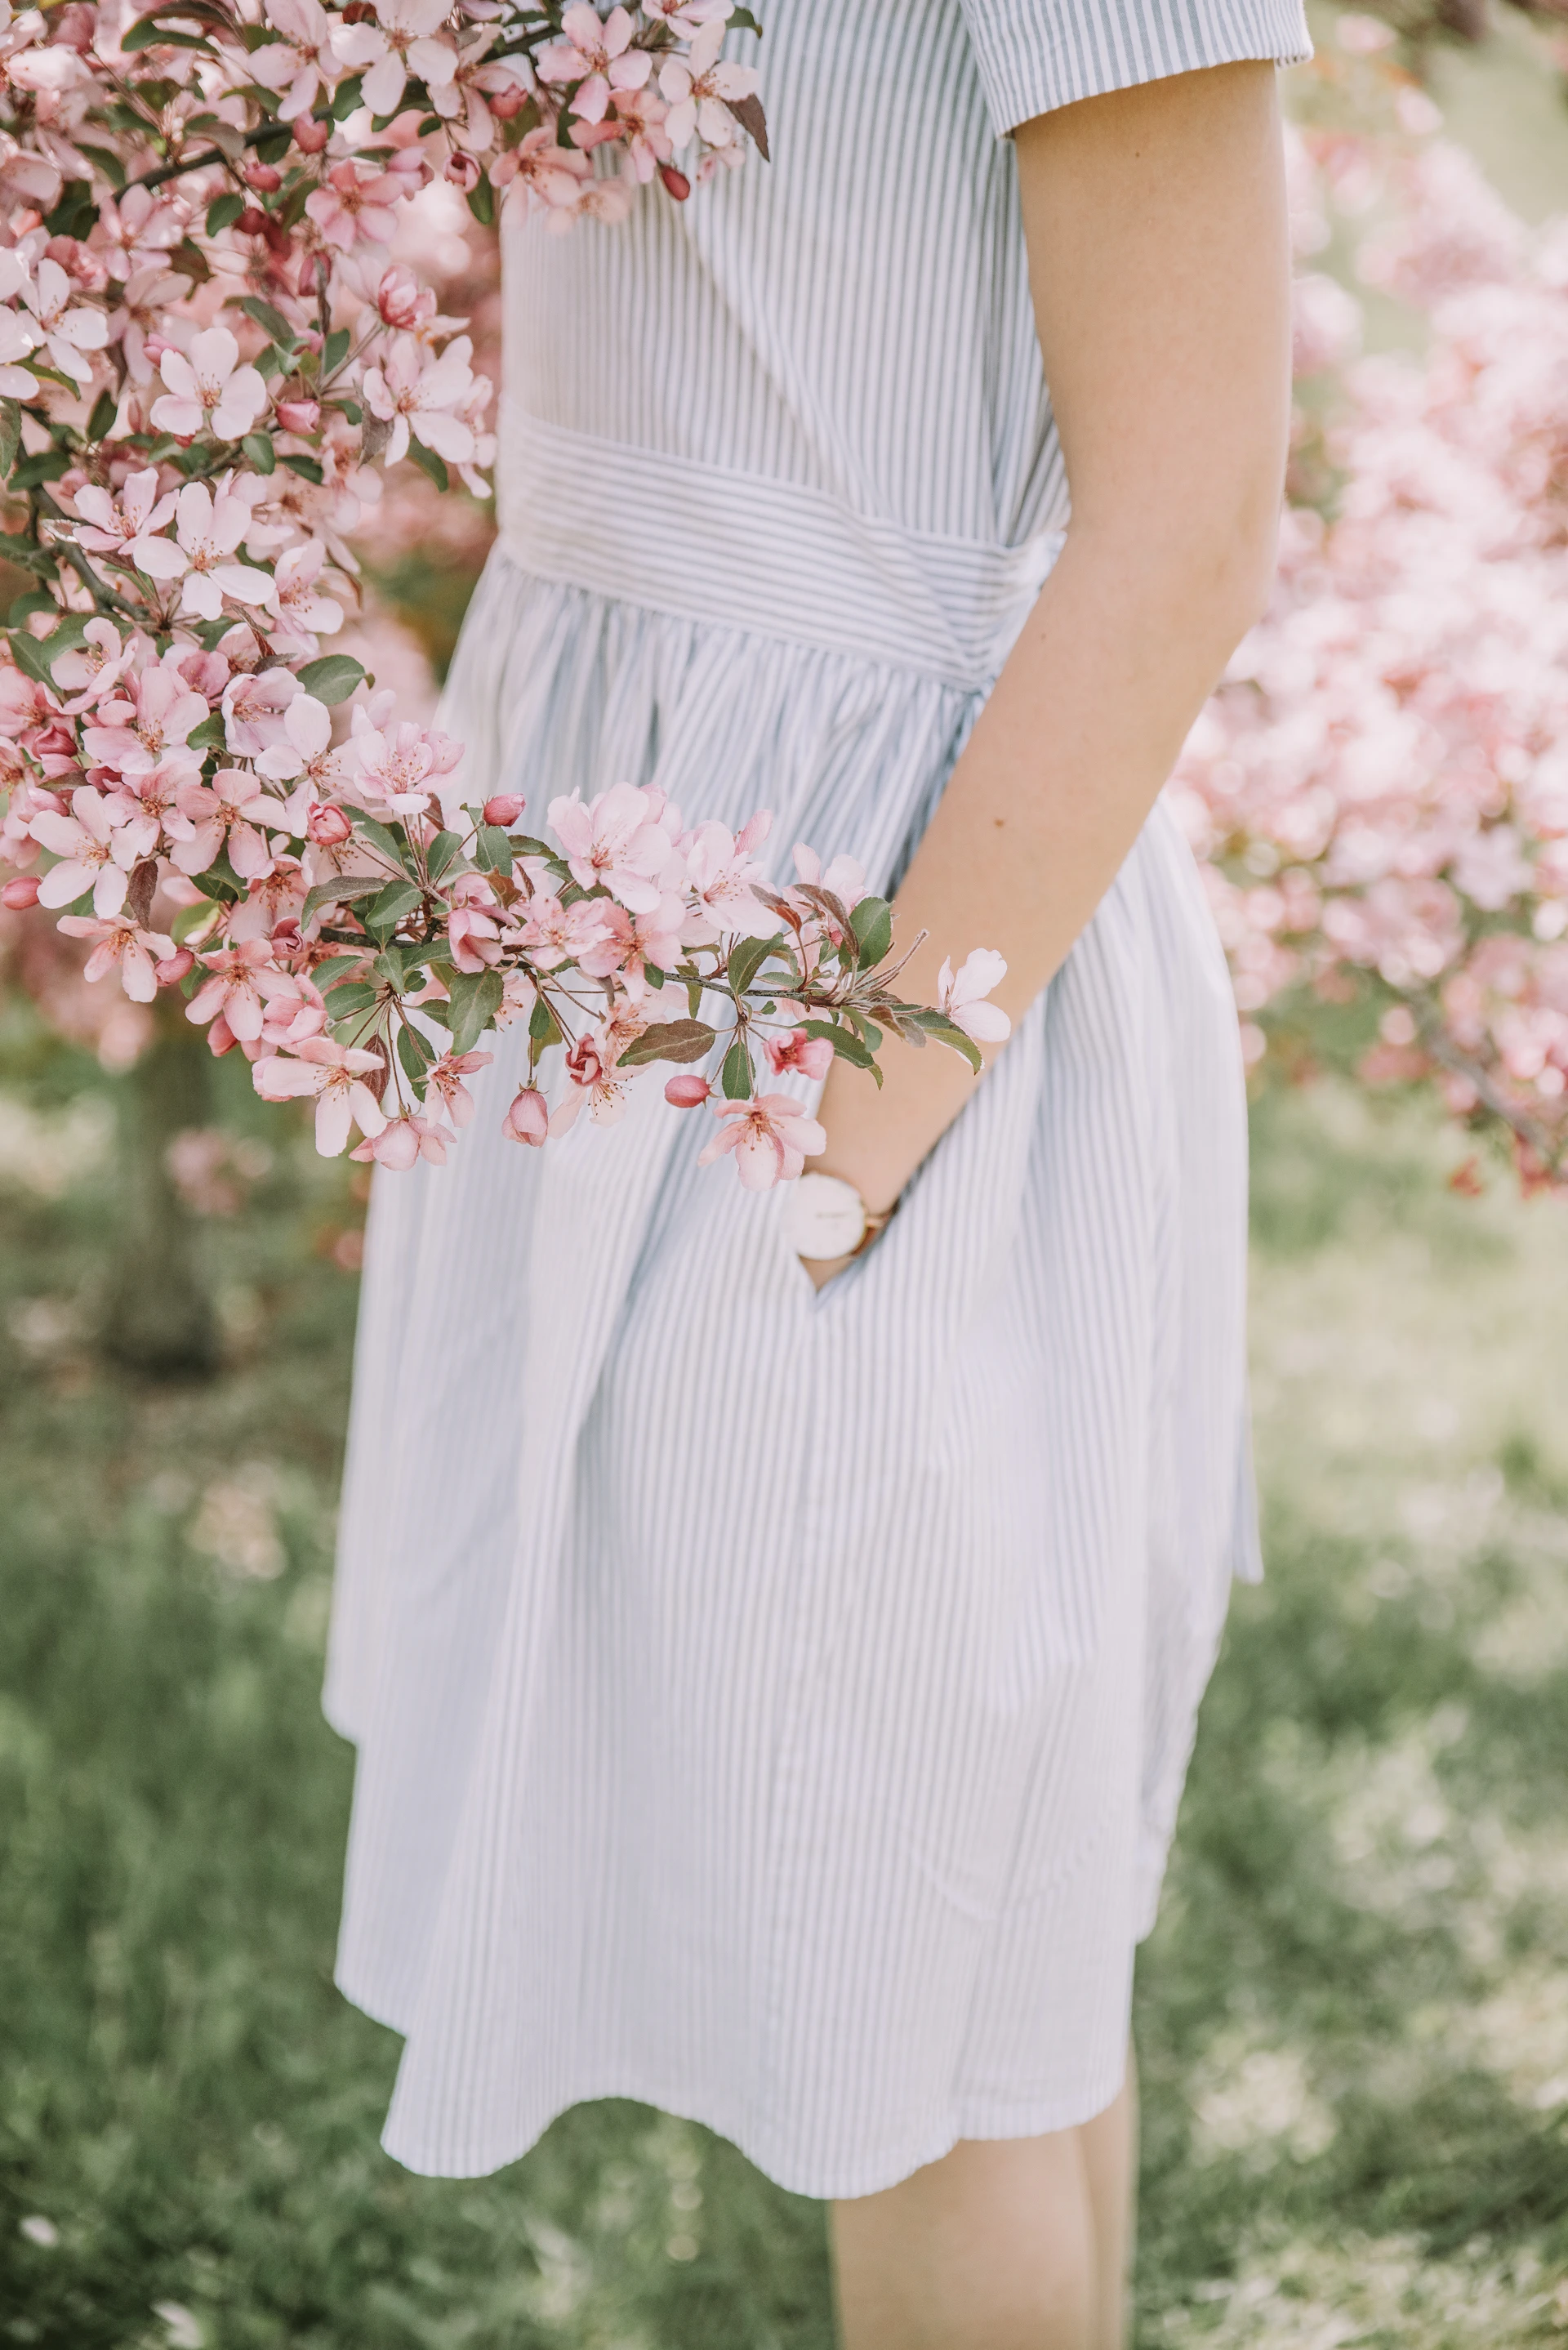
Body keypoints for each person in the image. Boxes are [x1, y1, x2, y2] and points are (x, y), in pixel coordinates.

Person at [325, 0, 1306, 2339]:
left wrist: (844, 1133)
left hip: (881, 945)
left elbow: (1186, 523)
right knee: (955, 1955)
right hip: (614, 866)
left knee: (930, 1968)